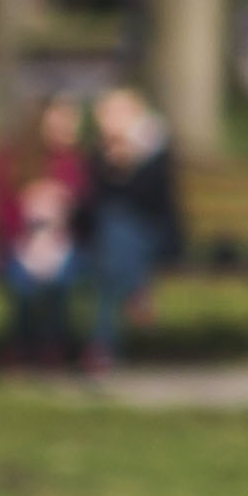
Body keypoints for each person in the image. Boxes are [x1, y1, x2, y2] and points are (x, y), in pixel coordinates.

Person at [0, 100, 89, 372]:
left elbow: (87, 209)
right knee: (21, 282)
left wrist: (64, 208)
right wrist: (29, 208)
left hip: (63, 242)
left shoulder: (75, 162)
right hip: (19, 242)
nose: (71, 127)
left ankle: (54, 343)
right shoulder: (9, 160)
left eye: (74, 121)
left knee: (61, 280)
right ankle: (21, 343)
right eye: (63, 120)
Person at [72, 84, 181, 366]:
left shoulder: (156, 148)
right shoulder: (96, 154)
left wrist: (127, 166)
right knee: (114, 230)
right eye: (106, 113)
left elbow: (154, 202)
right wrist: (108, 167)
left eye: (116, 112)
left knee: (116, 232)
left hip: (154, 237)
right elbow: (90, 205)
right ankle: (136, 290)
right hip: (110, 244)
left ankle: (102, 347)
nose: (109, 119)